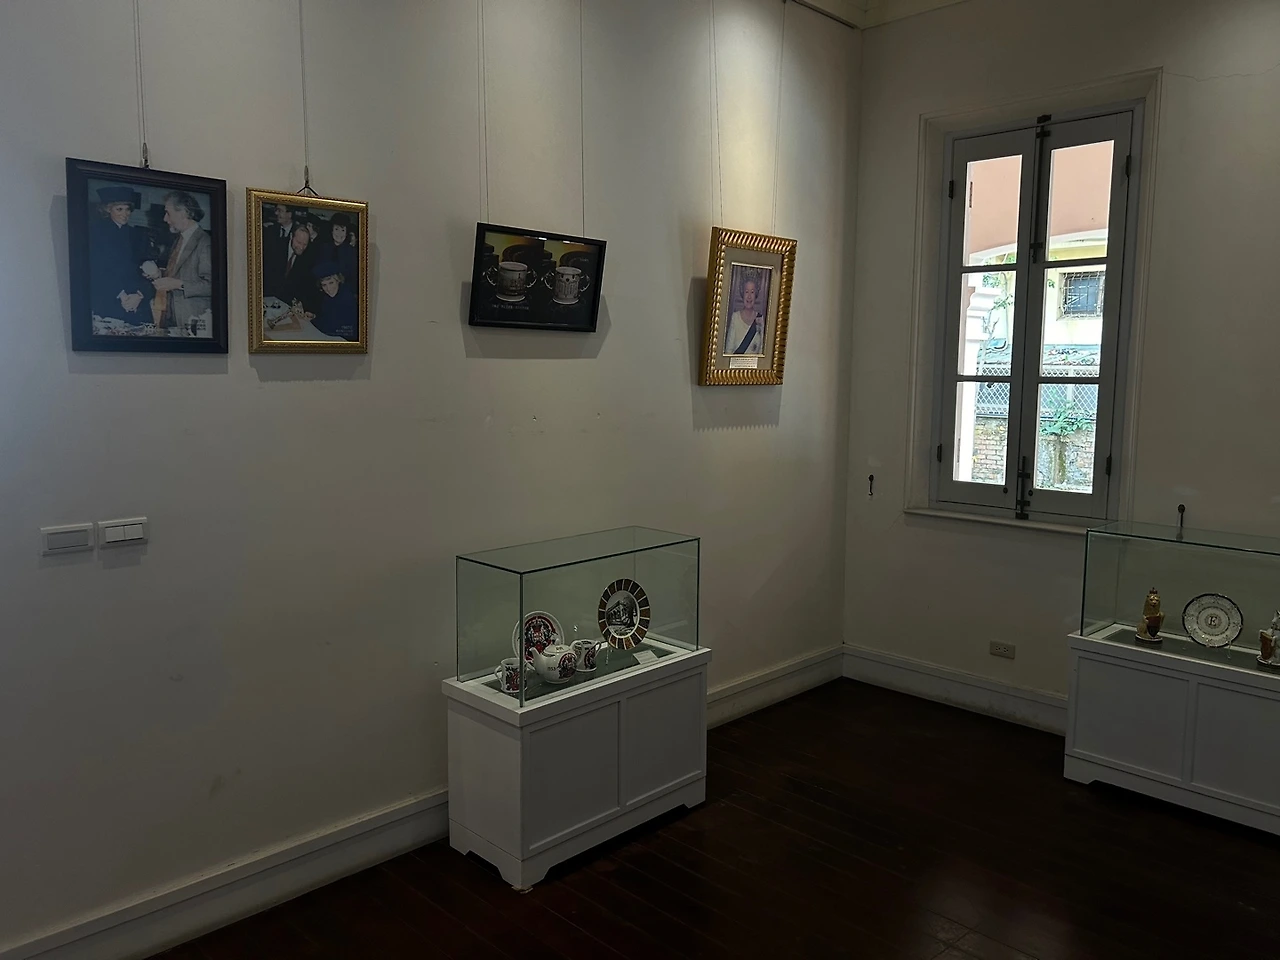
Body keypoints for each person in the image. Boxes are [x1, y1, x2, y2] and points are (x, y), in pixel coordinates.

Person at [143, 190, 212, 333]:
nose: (165, 219)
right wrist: (159, 274)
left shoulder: (205, 242)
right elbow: (179, 274)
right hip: (173, 317)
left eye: (168, 213)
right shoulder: (178, 240)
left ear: (183, 213)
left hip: (194, 321)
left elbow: (212, 286)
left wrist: (178, 284)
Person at [87, 185, 153, 322]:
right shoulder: (95, 232)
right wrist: (121, 295)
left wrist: (139, 295)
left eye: (127, 209)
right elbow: (96, 269)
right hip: (109, 298)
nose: (125, 213)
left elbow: (144, 271)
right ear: (108, 209)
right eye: (119, 209)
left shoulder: (137, 235)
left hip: (135, 301)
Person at [310, 261, 359, 341]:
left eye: (331, 283)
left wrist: (313, 322)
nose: (328, 289)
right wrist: (314, 317)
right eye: (324, 285)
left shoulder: (347, 298)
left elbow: (338, 328)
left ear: (338, 280)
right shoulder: (327, 298)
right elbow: (327, 318)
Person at [277, 222, 319, 313]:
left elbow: (305, 284)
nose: (301, 247)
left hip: (288, 302)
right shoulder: (276, 246)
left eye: (305, 244)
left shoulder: (308, 256)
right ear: (291, 236)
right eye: (299, 242)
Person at [314, 212, 358, 295]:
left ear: (347, 232)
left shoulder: (352, 252)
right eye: (336, 229)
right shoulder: (323, 248)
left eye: (343, 230)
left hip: (345, 293)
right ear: (332, 230)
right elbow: (316, 270)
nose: (339, 234)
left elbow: (354, 277)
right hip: (324, 291)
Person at [724, 271, 766, 355]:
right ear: (742, 294)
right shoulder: (735, 317)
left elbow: (761, 350)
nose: (749, 296)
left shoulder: (760, 319)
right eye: (746, 292)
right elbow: (728, 351)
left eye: (752, 292)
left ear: (756, 294)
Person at [261, 203, 297, 298]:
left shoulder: (298, 233)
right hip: (270, 285)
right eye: (276, 210)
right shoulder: (270, 230)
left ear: (289, 214)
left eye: (280, 211)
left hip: (289, 288)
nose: (276, 213)